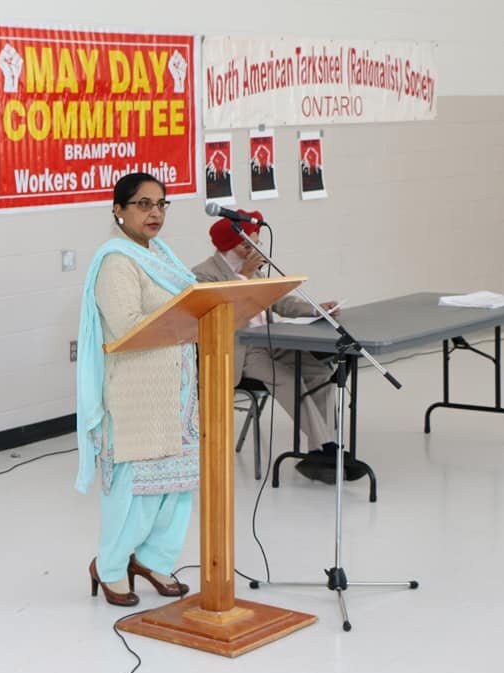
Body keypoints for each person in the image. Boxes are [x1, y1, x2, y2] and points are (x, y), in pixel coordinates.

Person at [76, 173, 198, 606]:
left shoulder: (160, 255)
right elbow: (127, 325)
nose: (155, 213)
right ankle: (110, 567)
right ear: (118, 210)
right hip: (136, 392)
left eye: (161, 204)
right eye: (144, 204)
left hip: (176, 392)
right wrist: (187, 318)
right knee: (134, 489)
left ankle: (154, 560)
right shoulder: (116, 261)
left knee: (175, 487)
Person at [192, 214, 343, 483]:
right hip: (241, 350)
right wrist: (244, 275)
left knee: (321, 373)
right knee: (287, 379)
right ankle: (328, 448)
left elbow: (280, 302)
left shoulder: (255, 271)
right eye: (247, 245)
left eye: (256, 244)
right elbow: (221, 315)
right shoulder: (203, 274)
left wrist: (316, 309)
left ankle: (317, 451)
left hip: (271, 341)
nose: (254, 250)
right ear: (228, 245)